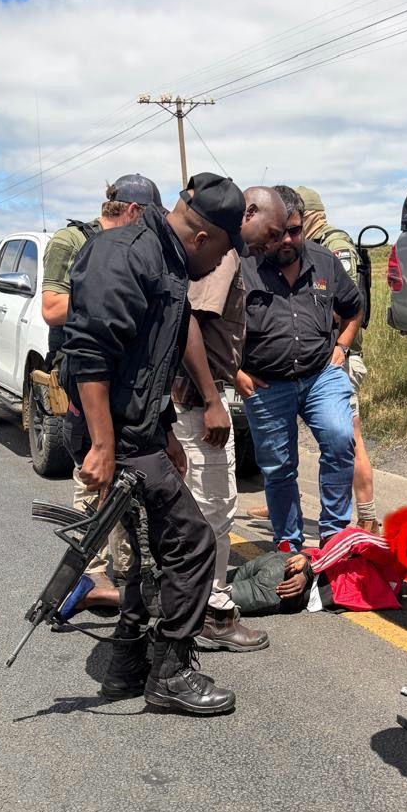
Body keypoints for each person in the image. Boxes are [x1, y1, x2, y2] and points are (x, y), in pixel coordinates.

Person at [61, 173, 247, 715]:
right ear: (203, 238)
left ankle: (127, 667)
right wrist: (101, 444)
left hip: (136, 432)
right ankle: (171, 672)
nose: (217, 267)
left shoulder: (164, 261)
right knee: (189, 544)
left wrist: (164, 429)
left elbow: (148, 361)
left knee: (147, 552)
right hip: (113, 435)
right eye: (221, 254)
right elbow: (90, 351)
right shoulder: (125, 254)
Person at [172, 185, 288, 652]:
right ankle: (212, 613)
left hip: (194, 398)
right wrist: (210, 398)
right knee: (214, 510)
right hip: (196, 404)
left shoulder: (226, 252)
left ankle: (189, 607)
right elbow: (190, 322)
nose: (275, 242)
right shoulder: (223, 255)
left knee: (200, 508)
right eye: (272, 231)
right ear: (250, 211)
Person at [42, 173, 162, 612]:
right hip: (84, 375)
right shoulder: (72, 241)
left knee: (125, 483)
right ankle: (86, 575)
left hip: (129, 380)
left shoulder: (140, 250)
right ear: (132, 211)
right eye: (147, 220)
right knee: (93, 470)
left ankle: (125, 578)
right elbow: (52, 308)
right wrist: (114, 297)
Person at [236, 185, 363, 552]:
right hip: (265, 384)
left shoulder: (324, 261)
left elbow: (354, 308)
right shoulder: (243, 265)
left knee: (341, 439)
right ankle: (288, 545)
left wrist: (343, 345)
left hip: (319, 375)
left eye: (296, 230)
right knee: (278, 468)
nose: (288, 240)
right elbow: (212, 325)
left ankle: (334, 535)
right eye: (280, 233)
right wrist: (235, 372)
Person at [297, 185, 378, 532]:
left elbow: (344, 303)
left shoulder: (335, 245)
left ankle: (368, 518)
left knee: (349, 437)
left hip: (339, 357)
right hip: (326, 359)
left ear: (308, 214)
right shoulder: (314, 245)